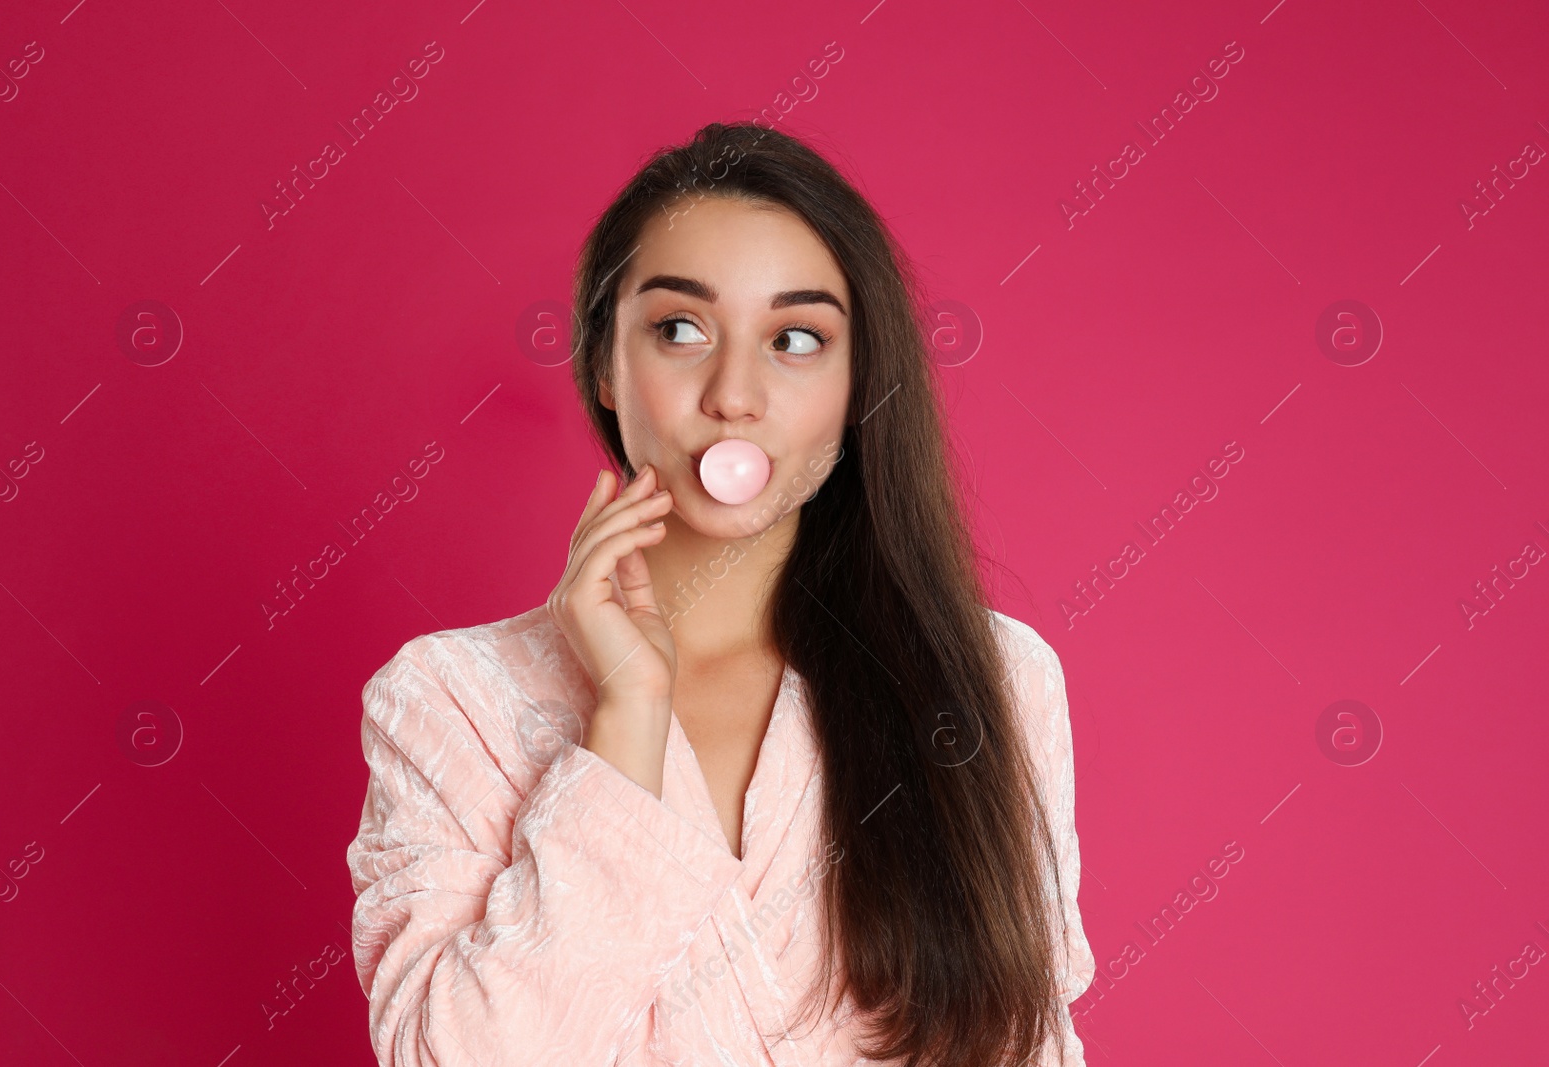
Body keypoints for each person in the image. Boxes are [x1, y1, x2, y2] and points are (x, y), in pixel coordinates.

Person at [345, 120, 1094, 1066]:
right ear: (607, 366)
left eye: (795, 338)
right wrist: (629, 714)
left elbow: (1029, 1045)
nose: (735, 394)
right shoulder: (449, 701)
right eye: (681, 329)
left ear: (859, 381)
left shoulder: (993, 679)